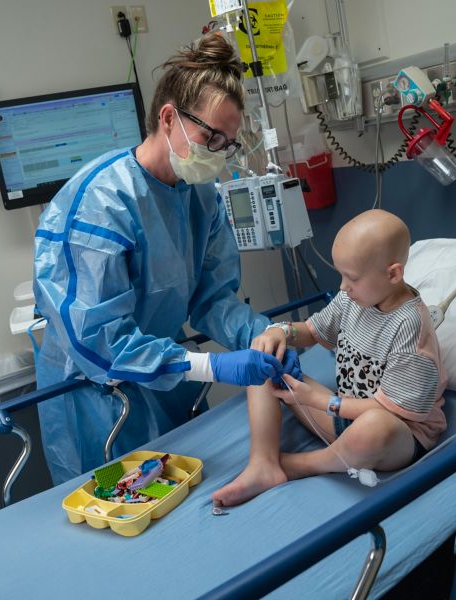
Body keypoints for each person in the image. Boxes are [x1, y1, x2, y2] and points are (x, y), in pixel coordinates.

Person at [33, 34, 286, 485]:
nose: (218, 154)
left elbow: (211, 299)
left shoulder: (200, 197)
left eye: (227, 143)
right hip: (99, 398)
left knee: (190, 494)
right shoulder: (100, 203)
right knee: (121, 518)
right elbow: (98, 340)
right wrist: (209, 366)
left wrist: (261, 332)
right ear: (169, 117)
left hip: (165, 377)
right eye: (211, 136)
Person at [213, 209, 448, 507]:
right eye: (341, 275)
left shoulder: (410, 327)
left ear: (393, 274)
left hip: (395, 434)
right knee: (261, 362)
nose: (342, 287)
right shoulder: (354, 297)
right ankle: (263, 463)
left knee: (375, 426)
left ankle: (306, 464)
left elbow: (391, 412)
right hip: (342, 415)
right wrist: (280, 332)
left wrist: (320, 401)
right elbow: (311, 331)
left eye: (351, 278)